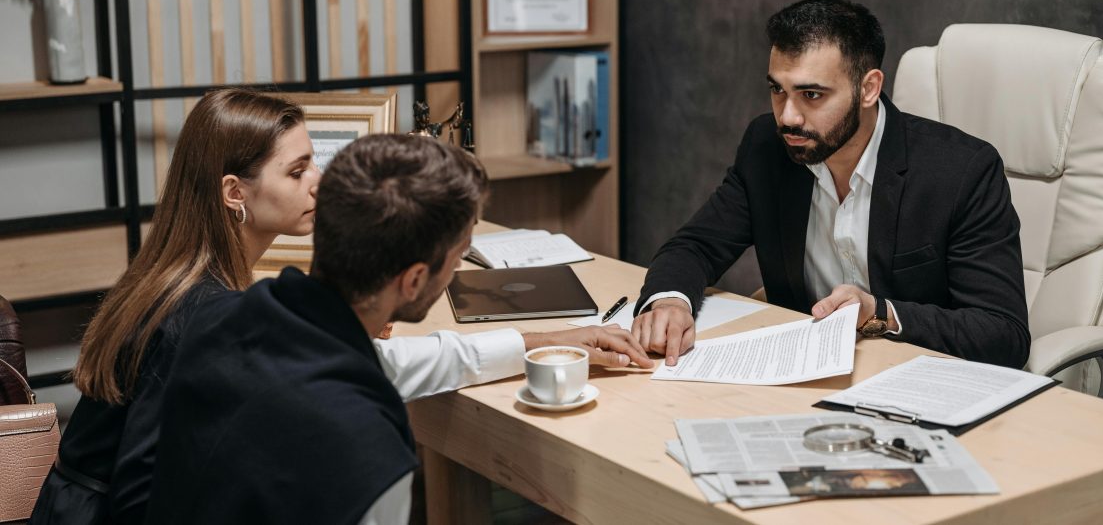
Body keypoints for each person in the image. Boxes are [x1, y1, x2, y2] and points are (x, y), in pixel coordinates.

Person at [32, 90, 647, 525]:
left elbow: (367, 364)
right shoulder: (203, 315)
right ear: (233, 193)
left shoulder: (232, 297)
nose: (318, 182)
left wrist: (540, 341)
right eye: (298, 170)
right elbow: (145, 495)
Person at [631, 0, 1029, 369]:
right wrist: (670, 301)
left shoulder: (961, 172)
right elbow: (696, 246)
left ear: (868, 88)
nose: (787, 117)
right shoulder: (767, 148)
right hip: (806, 375)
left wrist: (882, 313)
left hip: (922, 382)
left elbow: (1002, 334)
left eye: (812, 95)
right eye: (777, 90)